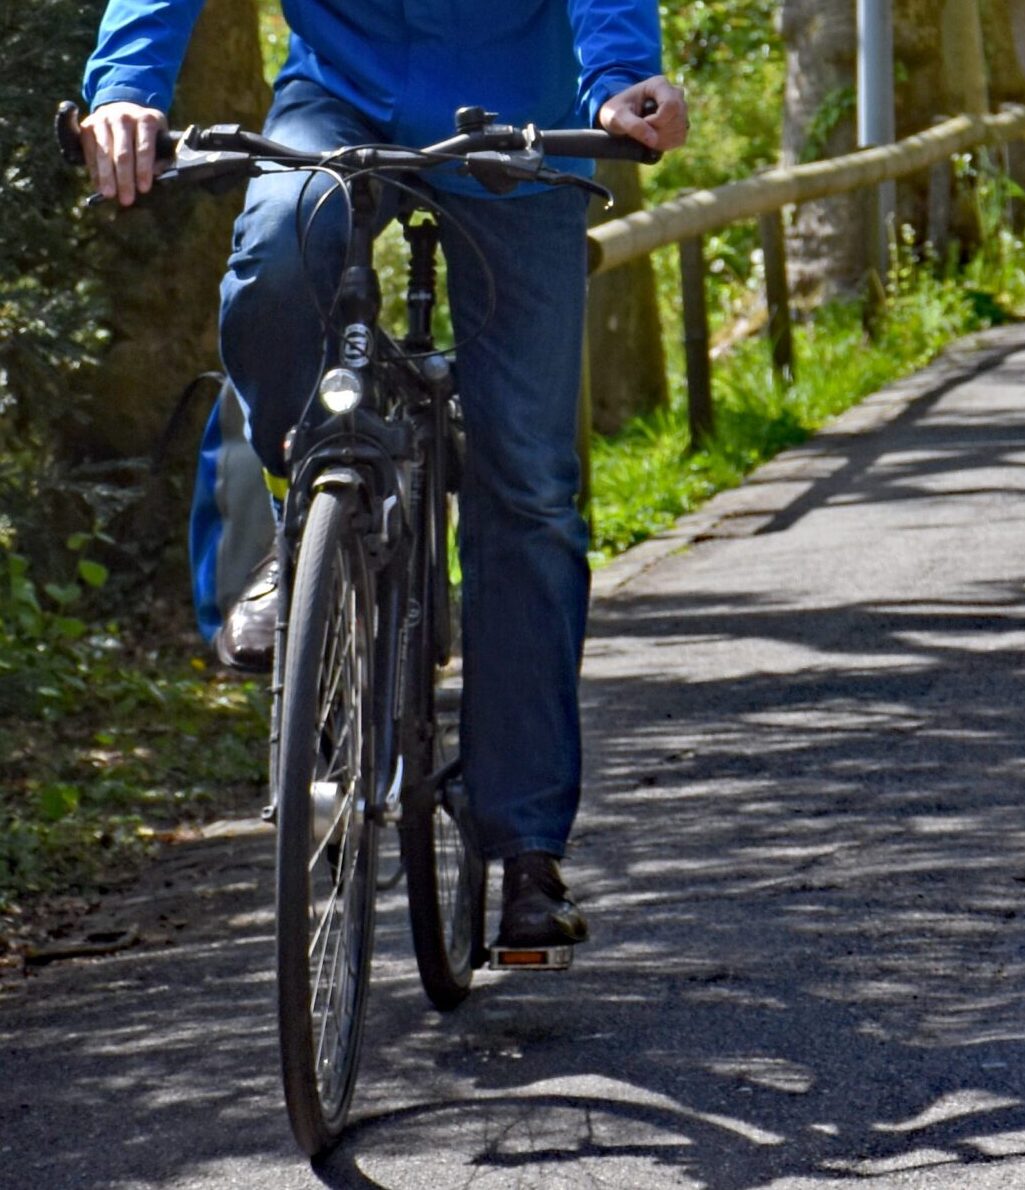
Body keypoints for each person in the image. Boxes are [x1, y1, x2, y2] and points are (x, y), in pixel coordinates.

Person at [79, 0, 689, 952]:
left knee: (525, 482)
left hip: (520, 120)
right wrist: (125, 90)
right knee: (278, 256)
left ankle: (525, 846)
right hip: (340, 95)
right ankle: (307, 523)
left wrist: (617, 81)